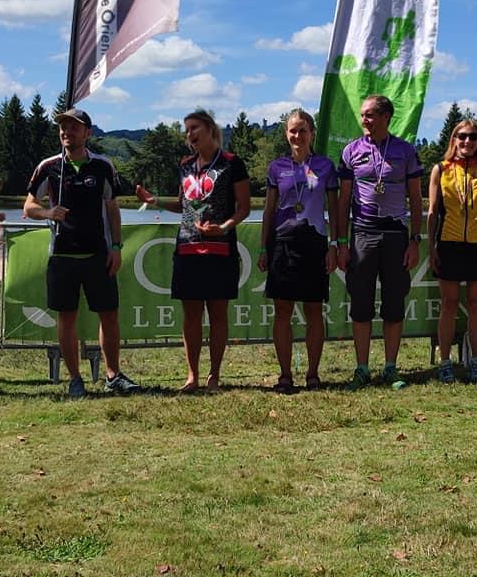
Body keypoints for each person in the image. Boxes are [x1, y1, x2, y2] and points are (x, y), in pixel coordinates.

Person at [24, 108, 139, 398]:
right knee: (67, 318)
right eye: (62, 127)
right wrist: (49, 212)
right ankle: (75, 379)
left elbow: (113, 209)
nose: (66, 132)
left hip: (98, 255)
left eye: (74, 127)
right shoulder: (48, 166)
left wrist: (116, 247)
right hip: (62, 256)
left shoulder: (103, 166)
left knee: (109, 315)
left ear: (88, 133)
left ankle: (113, 375)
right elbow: (29, 206)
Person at [135, 109, 250, 393]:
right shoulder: (185, 165)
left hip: (220, 248)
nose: (189, 135)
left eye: (194, 128)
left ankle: (214, 375)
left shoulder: (233, 163)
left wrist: (224, 227)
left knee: (218, 313)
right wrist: (155, 201)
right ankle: (192, 375)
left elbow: (244, 208)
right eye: (186, 130)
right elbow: (183, 204)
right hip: (186, 247)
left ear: (211, 129)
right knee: (191, 315)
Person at [336, 94, 423, 390]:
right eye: (362, 115)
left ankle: (390, 367)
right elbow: (344, 199)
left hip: (396, 234)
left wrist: (415, 240)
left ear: (386, 117)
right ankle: (361, 368)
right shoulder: (351, 151)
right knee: (360, 303)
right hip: (362, 233)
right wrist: (342, 242)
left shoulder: (405, 151)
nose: (364, 121)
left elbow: (415, 198)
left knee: (393, 302)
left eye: (370, 115)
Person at [257, 109, 339, 393]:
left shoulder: (326, 166)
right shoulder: (276, 167)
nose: (297, 135)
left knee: (314, 309)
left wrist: (335, 245)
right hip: (282, 242)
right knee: (282, 310)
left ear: (312, 133)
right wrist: (263, 247)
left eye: (303, 130)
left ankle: (313, 373)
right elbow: (268, 210)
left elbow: (336, 210)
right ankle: (284, 375)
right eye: (293, 130)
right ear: (286, 134)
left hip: (315, 242)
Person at [427, 119, 477, 384]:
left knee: (476, 305)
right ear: (454, 139)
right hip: (448, 243)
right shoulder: (440, 169)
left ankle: (476, 362)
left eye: (472, 137)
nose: (467, 141)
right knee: (448, 305)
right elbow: (433, 212)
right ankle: (445, 362)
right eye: (462, 136)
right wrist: (430, 248)